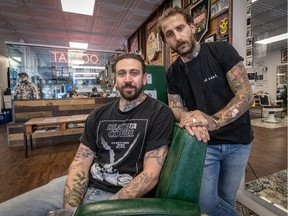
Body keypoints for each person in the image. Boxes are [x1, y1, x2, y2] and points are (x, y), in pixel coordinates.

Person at [0, 53, 174, 216]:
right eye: (122, 74)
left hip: (119, 197)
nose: (127, 79)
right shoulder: (98, 114)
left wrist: (98, 211)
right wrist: (72, 208)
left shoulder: (159, 113)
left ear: (144, 78)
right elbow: (80, 164)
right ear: (115, 80)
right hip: (80, 185)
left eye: (134, 73)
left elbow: (150, 175)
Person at [157, 7, 254, 216]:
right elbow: (175, 107)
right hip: (204, 143)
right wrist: (187, 116)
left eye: (180, 28)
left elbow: (245, 94)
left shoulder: (221, 50)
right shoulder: (173, 72)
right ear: (166, 41)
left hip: (238, 141)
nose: (177, 37)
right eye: (169, 34)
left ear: (192, 27)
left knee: (228, 198)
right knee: (207, 204)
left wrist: (214, 121)